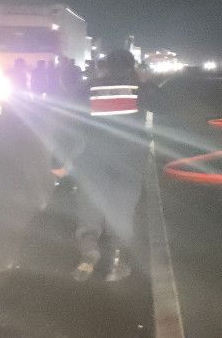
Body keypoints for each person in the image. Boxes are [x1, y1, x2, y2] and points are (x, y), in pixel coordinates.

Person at [72, 49, 146, 282]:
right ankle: (116, 261)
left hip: (92, 159)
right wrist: (144, 81)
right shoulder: (138, 88)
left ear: (105, 66)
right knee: (121, 210)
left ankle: (89, 252)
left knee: (90, 205)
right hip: (129, 162)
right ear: (131, 66)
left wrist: (59, 160)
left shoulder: (88, 88)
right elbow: (165, 107)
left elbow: (68, 120)